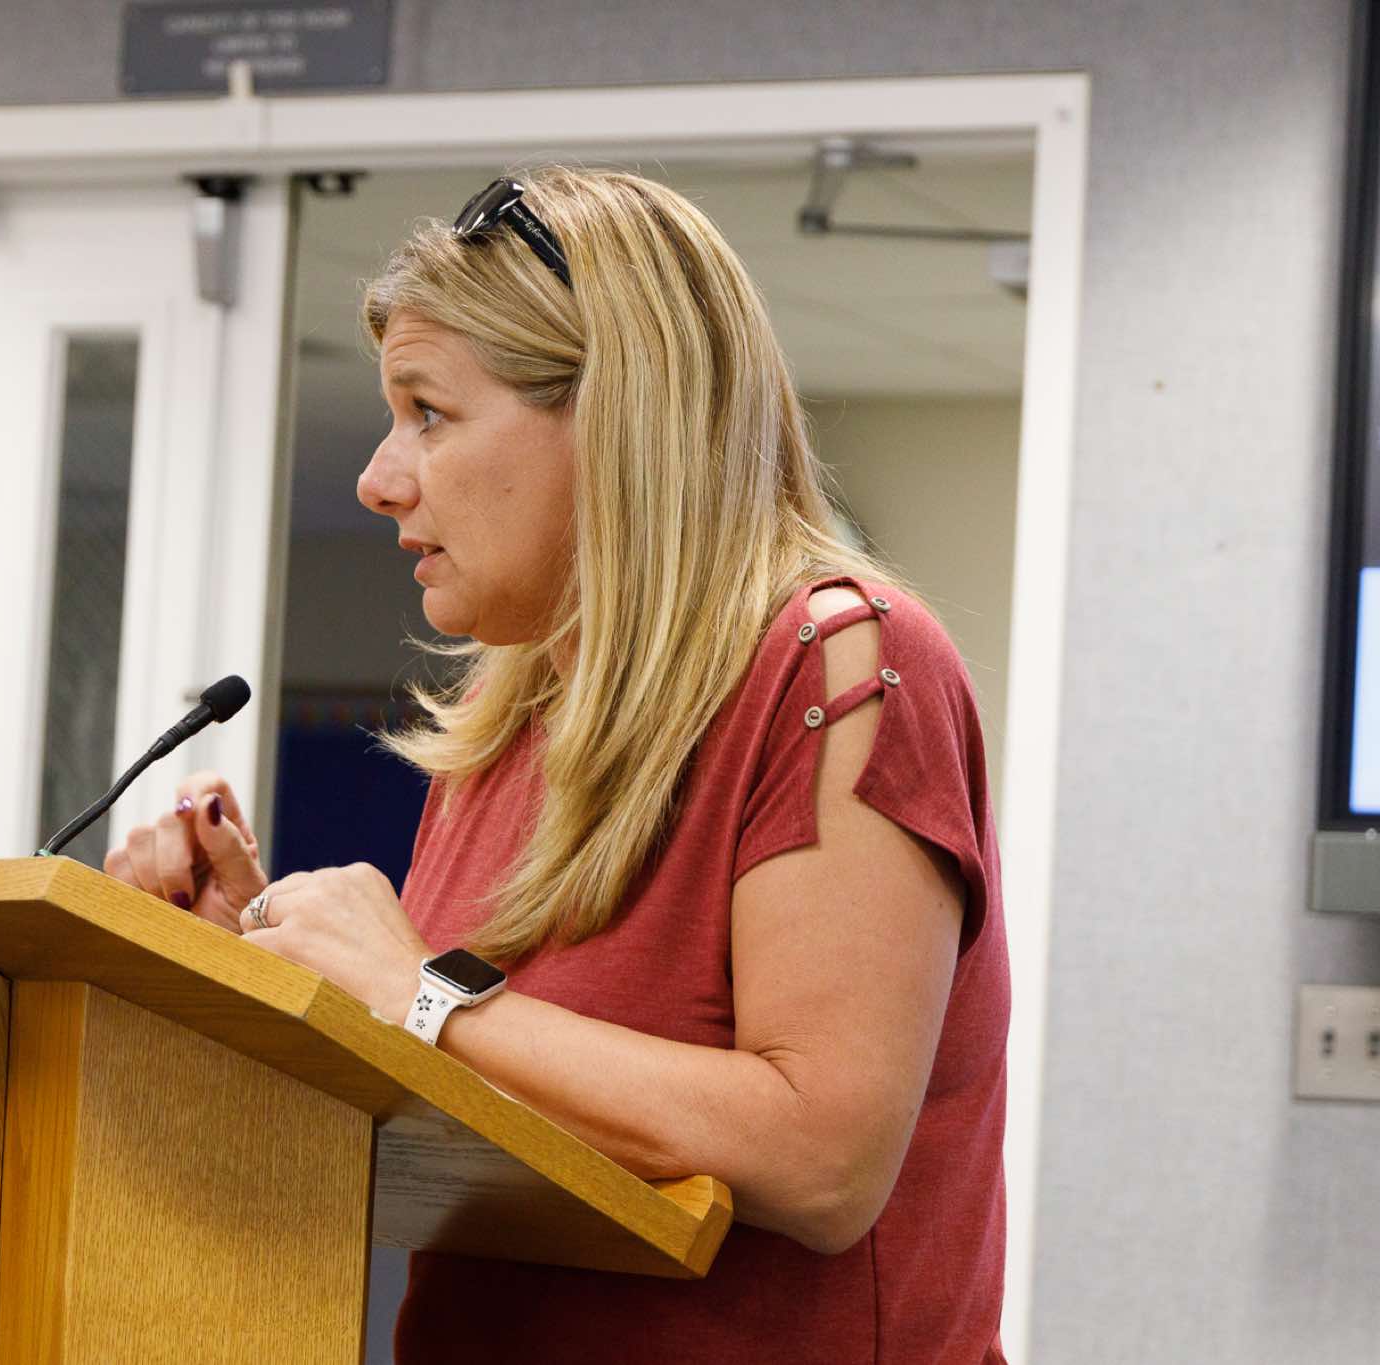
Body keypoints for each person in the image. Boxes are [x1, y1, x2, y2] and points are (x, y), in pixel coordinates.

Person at [103, 166, 1011, 1364]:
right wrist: (257, 972)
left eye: (429, 412)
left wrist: (414, 991)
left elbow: (820, 1160)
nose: (378, 479)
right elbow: (476, 1105)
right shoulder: (509, 707)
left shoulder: (841, 662)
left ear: (616, 419)